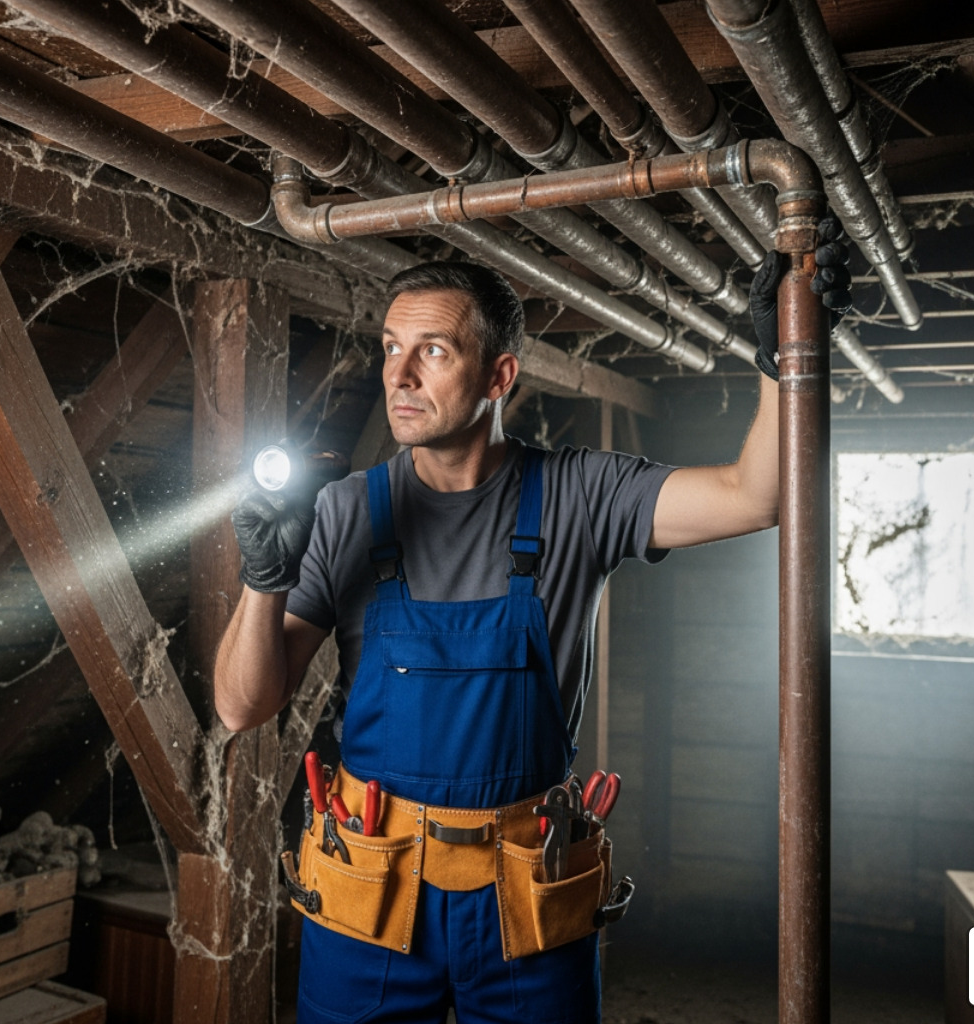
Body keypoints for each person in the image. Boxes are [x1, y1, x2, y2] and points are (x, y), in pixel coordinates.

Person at [215, 233, 849, 1023]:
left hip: (527, 890)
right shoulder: (344, 511)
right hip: (370, 883)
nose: (399, 376)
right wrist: (263, 581)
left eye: (433, 351)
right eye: (391, 347)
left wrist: (784, 359)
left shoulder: (582, 495)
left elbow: (758, 497)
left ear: (499, 376)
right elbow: (242, 706)